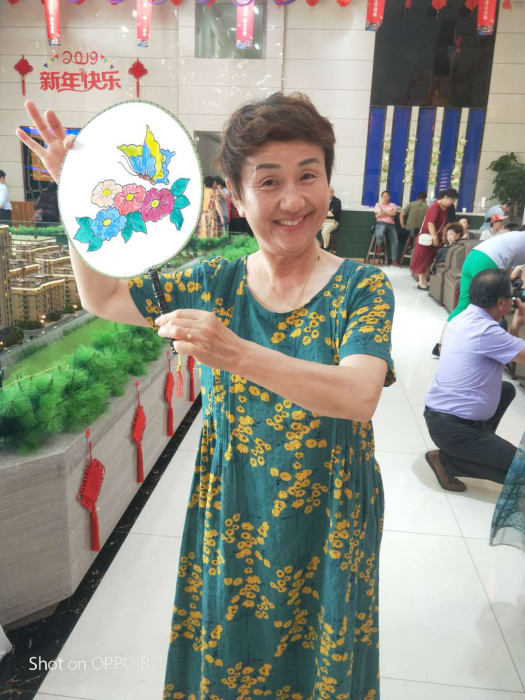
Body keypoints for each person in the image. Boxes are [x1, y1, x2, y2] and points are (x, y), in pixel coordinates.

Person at [18, 94, 395, 700]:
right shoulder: (214, 281)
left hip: (332, 509)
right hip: (236, 501)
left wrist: (237, 353)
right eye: (268, 182)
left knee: (324, 655)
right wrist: (75, 196)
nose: (293, 200)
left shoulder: (363, 287)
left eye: (308, 176)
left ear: (329, 183)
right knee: (230, 651)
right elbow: (104, 298)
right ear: (237, 199)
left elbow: (358, 395)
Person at [424, 268, 525, 491]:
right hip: (455, 429)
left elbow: (508, 351)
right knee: (521, 471)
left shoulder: (463, 318)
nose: (514, 300)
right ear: (501, 302)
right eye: (512, 296)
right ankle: (447, 461)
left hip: (441, 418)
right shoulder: (485, 330)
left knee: (506, 390)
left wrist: (516, 324)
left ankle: (479, 446)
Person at [410, 188, 458, 290]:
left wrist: (442, 237)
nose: (453, 202)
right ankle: (421, 283)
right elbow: (430, 223)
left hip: (435, 238)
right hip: (428, 238)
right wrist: (435, 237)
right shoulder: (435, 207)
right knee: (423, 260)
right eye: (452, 199)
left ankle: (424, 282)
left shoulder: (445, 208)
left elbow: (444, 224)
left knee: (429, 260)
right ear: (446, 197)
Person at [374, 190, 400, 266]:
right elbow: (379, 215)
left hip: (391, 225)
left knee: (395, 241)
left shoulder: (393, 205)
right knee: (380, 232)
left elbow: (394, 213)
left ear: (389, 197)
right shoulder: (378, 205)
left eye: (387, 196)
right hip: (381, 223)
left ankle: (394, 261)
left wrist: (383, 211)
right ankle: (379, 245)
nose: (385, 198)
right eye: (384, 196)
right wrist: (389, 212)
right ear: (382, 197)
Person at [320, 185, 341, 249]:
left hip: (332, 222)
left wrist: (324, 212)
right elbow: (318, 211)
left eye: (329, 192)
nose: (328, 194)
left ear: (333, 192)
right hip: (322, 221)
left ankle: (325, 248)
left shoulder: (337, 201)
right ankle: (316, 246)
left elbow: (332, 214)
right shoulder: (323, 201)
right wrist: (327, 212)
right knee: (311, 230)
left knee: (324, 231)